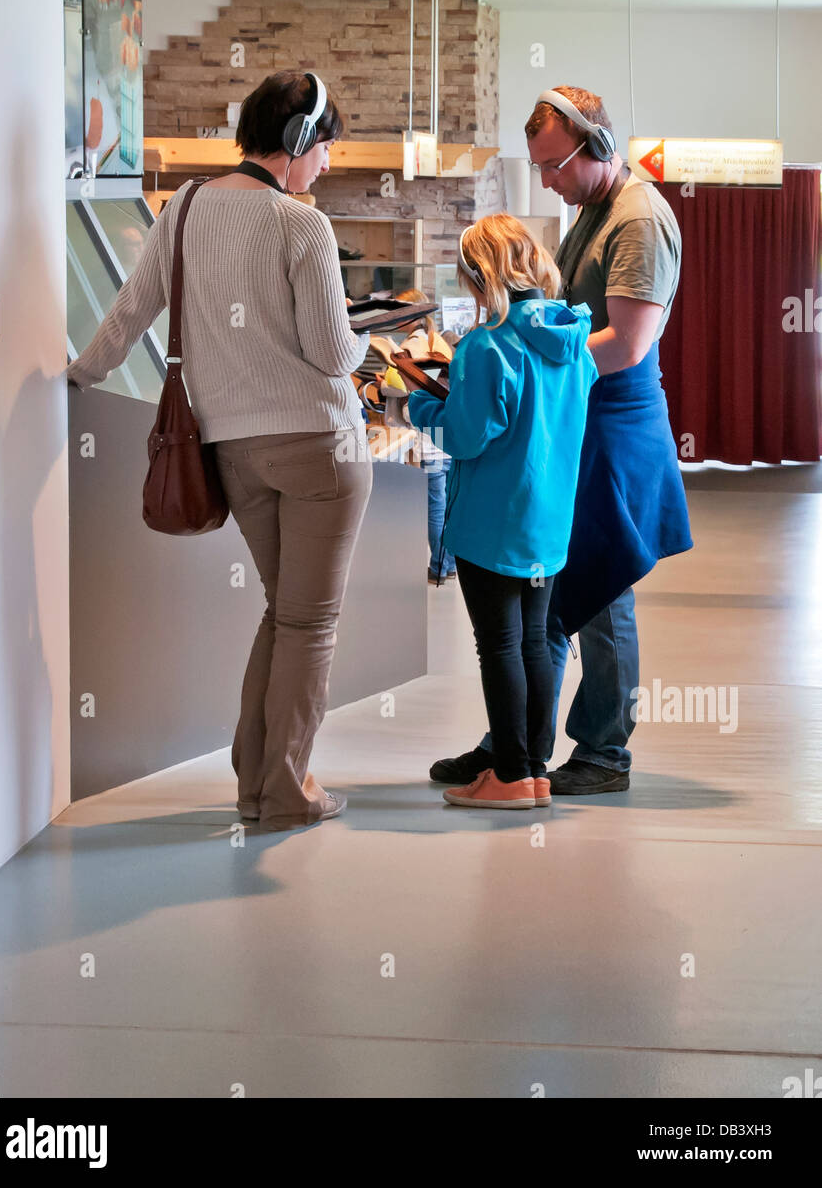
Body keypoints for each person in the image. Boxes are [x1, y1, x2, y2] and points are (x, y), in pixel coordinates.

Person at [64, 70, 373, 831]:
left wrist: (74, 377)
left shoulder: (186, 209)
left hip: (233, 450)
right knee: (311, 625)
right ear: (300, 141)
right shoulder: (303, 226)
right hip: (319, 449)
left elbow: (130, 311)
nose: (326, 165)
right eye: (325, 148)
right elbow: (334, 356)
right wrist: (372, 338)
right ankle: (285, 792)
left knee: (284, 615)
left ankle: (259, 787)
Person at [431, 86, 692, 795]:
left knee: (602, 590)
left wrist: (519, 365)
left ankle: (603, 751)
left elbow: (628, 344)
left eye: (555, 165)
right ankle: (516, 749)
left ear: (598, 147)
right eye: (540, 167)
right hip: (574, 413)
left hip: (613, 424)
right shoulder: (591, 209)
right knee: (543, 590)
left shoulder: (638, 221)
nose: (547, 181)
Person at [403, 214, 598, 809]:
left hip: (492, 523)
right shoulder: (574, 342)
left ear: (482, 274)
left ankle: (509, 777)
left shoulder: (488, 346)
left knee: (499, 646)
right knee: (537, 643)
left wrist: (419, 405)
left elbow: (466, 436)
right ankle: (534, 771)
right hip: (548, 522)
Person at [393, 287, 457, 585]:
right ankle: (450, 563)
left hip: (428, 440)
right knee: (444, 506)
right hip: (448, 439)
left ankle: (438, 565)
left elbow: (416, 400)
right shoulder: (438, 343)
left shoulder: (411, 349)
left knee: (434, 506)